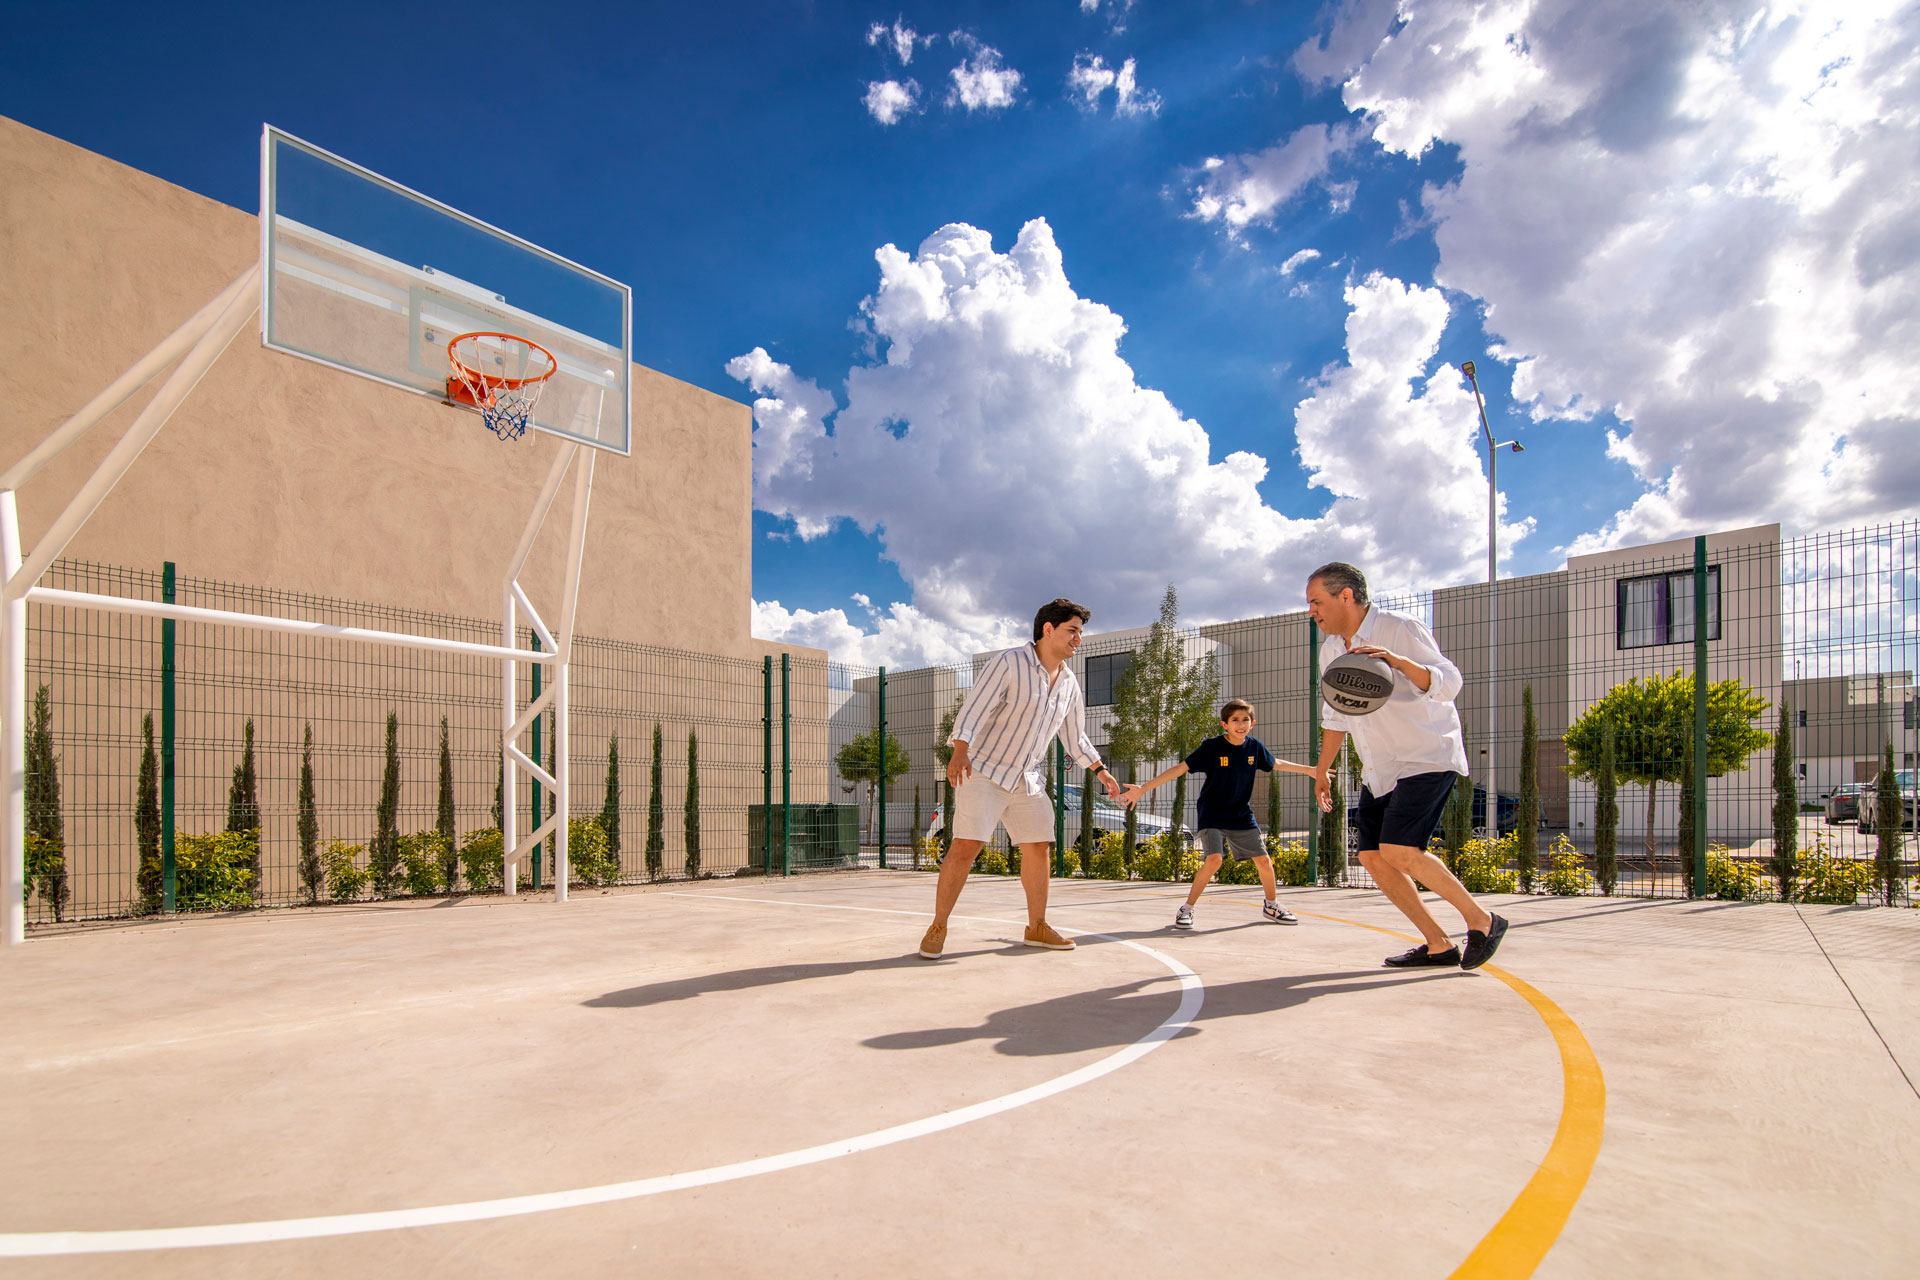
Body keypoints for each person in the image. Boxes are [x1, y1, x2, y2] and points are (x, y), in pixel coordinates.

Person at [1306, 561, 1509, 970]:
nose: (1312, 612)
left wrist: (1398, 662)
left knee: (1399, 849)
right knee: (1372, 856)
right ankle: (1438, 944)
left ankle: (1483, 922)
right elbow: (1338, 716)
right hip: (1380, 767)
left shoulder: (1400, 628)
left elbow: (1449, 683)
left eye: (1316, 602)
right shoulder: (1332, 650)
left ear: (1345, 596)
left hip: (1425, 754)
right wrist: (1322, 771)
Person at [920, 599, 1122, 960]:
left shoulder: (1070, 683)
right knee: (966, 846)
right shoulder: (1009, 662)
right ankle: (939, 925)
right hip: (983, 769)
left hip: (1027, 778)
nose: (1079, 639)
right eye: (1072, 630)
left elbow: (1074, 736)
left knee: (1039, 845)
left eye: (1080, 632)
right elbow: (975, 708)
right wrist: (959, 750)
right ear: (1048, 629)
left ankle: (1037, 926)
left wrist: (1100, 770)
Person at [1119, 699, 1320, 930]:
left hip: (1240, 814)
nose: (1241, 724)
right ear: (1225, 724)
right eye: (1235, 720)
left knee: (1264, 860)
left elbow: (1276, 764)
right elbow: (1180, 768)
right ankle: (1187, 909)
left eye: (1245, 720)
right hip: (1212, 812)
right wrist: (1144, 788)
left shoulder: (1254, 747)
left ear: (1252, 723)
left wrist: (1310, 770)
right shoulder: (1212, 747)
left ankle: (1271, 906)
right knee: (1214, 860)